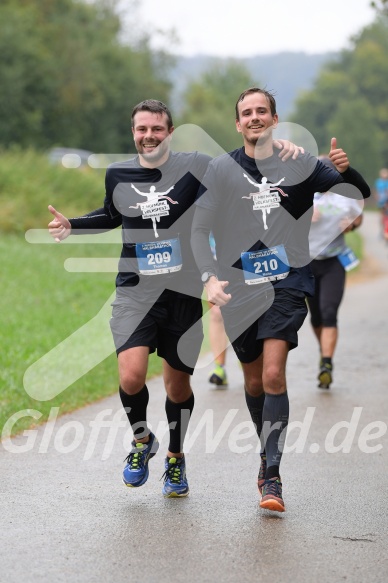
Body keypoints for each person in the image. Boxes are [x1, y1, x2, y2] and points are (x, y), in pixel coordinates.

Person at [48, 99, 301, 498]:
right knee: (130, 376)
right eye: (141, 129)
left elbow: (244, 167)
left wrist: (283, 150)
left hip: (182, 294)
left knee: (177, 388)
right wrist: (73, 225)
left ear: (169, 131)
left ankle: (176, 457)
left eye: (156, 129)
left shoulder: (198, 166)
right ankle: (141, 440)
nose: (148, 136)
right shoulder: (118, 174)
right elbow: (111, 215)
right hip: (135, 290)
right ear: (133, 132)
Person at [191, 87, 370, 512]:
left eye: (262, 111)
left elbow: (356, 195)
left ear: (274, 119)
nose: (254, 117)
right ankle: (264, 454)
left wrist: (349, 170)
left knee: (273, 375)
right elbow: (199, 231)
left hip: (288, 280)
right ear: (238, 124)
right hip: (239, 287)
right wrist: (209, 277)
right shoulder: (221, 169)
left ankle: (273, 478)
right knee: (253, 382)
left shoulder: (300, 163)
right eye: (246, 113)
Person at [307, 156, 363, 389]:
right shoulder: (305, 195)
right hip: (308, 263)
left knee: (329, 312)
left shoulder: (345, 196)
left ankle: (326, 364)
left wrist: (352, 224)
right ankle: (324, 352)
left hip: (334, 262)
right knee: (316, 316)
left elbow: (358, 216)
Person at [208, 233, 229, 387]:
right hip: (210, 262)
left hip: (237, 259)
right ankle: (219, 368)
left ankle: (249, 355)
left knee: (244, 312)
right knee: (216, 313)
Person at [374, 168, 388, 239]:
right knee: (382, 217)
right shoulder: (378, 182)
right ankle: (382, 231)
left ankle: (385, 231)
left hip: (386, 201)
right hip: (381, 202)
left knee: (385, 217)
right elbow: (377, 192)